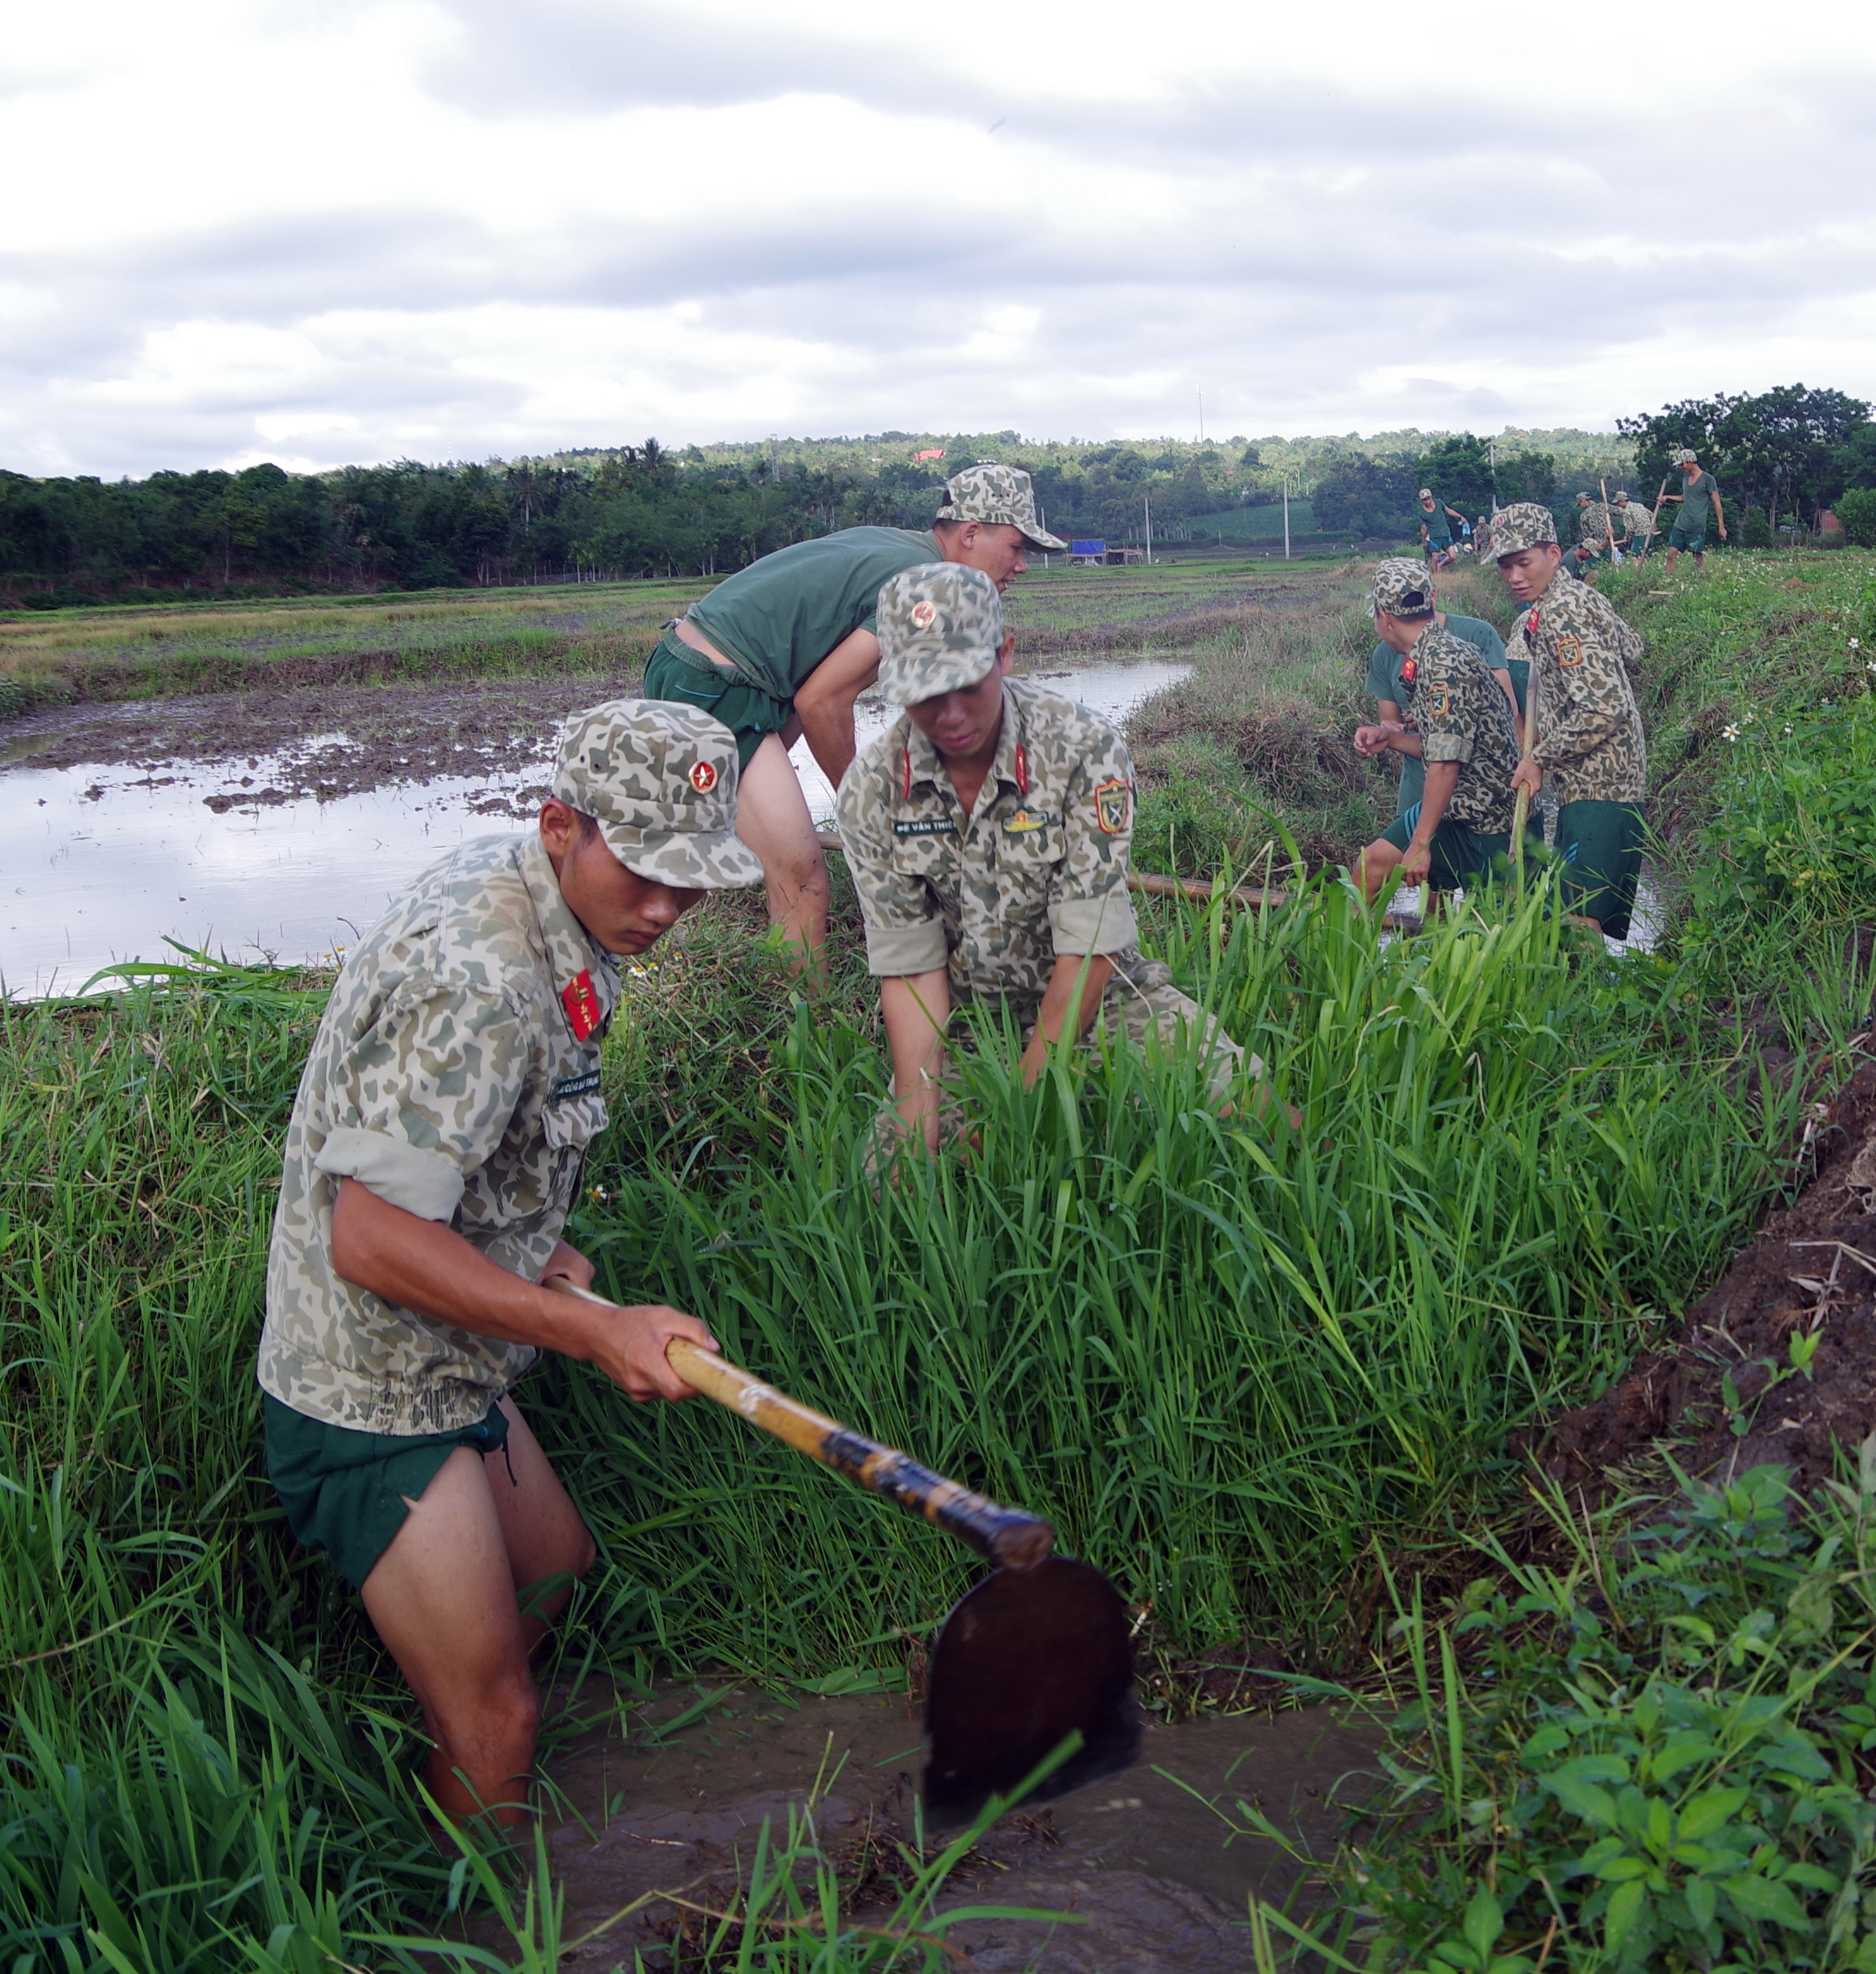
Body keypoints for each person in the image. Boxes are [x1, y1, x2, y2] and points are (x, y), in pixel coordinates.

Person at [258, 700, 759, 1838]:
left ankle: (443, 1692)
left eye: (693, 879)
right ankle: (471, 1911)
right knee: (503, 1724)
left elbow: (479, 1140)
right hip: (372, 1384)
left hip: (460, 1348)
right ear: (559, 827)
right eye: (643, 872)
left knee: (556, 1575)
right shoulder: (480, 978)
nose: (668, 908)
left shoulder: (561, 907)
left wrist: (528, 1240)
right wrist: (593, 1328)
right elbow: (370, 1239)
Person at [838, 564, 1269, 1153]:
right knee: (891, 1181)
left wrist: (1025, 1098)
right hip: (969, 1026)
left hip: (1102, 998)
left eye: (968, 683)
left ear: (1005, 653)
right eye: (925, 695)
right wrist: (919, 1123)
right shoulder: (871, 787)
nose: (952, 714)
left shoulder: (1083, 749)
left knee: (1242, 1100)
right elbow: (911, 970)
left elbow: (1090, 945)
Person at [642, 462, 1068, 959]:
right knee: (803, 883)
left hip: (701, 671)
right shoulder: (922, 583)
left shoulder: (901, 546)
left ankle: (688, 970)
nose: (1022, 565)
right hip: (720, 689)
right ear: (972, 532)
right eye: (1017, 547)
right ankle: (809, 1027)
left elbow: (808, 683)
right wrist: (867, 812)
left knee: (701, 853)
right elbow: (822, 702)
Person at [1488, 504, 1651, 940]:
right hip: (1599, 782)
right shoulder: (1576, 597)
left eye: (1524, 563)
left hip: (1603, 785)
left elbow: (1604, 707)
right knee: (1572, 917)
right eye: (1505, 566)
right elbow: (1632, 647)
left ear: (1554, 554)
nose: (1514, 576)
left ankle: (1591, 1007)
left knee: (1576, 924)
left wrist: (1539, 757)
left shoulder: (1562, 613)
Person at [1350, 559, 1522, 909]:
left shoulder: (1441, 664)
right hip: (1457, 803)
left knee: (1488, 925)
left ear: (1385, 617)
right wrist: (1391, 739)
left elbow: (1445, 763)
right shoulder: (1433, 650)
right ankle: (1351, 961)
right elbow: (1442, 744)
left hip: (1484, 816)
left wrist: (1421, 843)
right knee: (1371, 867)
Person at [1659, 449, 1729, 574]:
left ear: (1691, 462)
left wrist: (1721, 527)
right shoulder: (1686, 477)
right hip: (1681, 522)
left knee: (1697, 557)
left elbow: (1717, 502)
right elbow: (1686, 497)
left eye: (1683, 464)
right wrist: (1667, 497)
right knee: (1671, 554)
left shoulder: (1708, 479)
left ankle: (1701, 580)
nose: (1681, 467)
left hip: (1697, 524)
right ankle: (1668, 581)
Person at [1416, 487, 1469, 572]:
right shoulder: (1422, 513)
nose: (1428, 501)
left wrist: (1460, 516)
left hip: (1446, 534)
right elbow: (1423, 528)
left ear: (1431, 497)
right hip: (1435, 537)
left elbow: (1448, 510)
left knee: (1453, 556)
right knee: (1435, 558)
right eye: (1425, 500)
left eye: (1429, 499)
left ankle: (1441, 565)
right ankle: (1435, 578)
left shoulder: (1439, 503)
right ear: (1422, 501)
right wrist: (1424, 541)